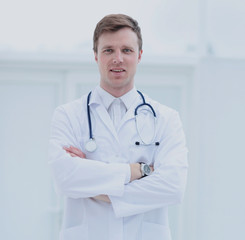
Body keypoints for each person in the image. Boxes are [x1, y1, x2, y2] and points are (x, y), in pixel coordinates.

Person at [48, 14, 188, 240]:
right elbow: (65, 178)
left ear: (139, 55)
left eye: (127, 50)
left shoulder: (166, 118)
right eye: (108, 50)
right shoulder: (68, 115)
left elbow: (173, 186)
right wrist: (140, 171)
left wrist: (97, 184)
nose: (118, 58)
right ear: (95, 55)